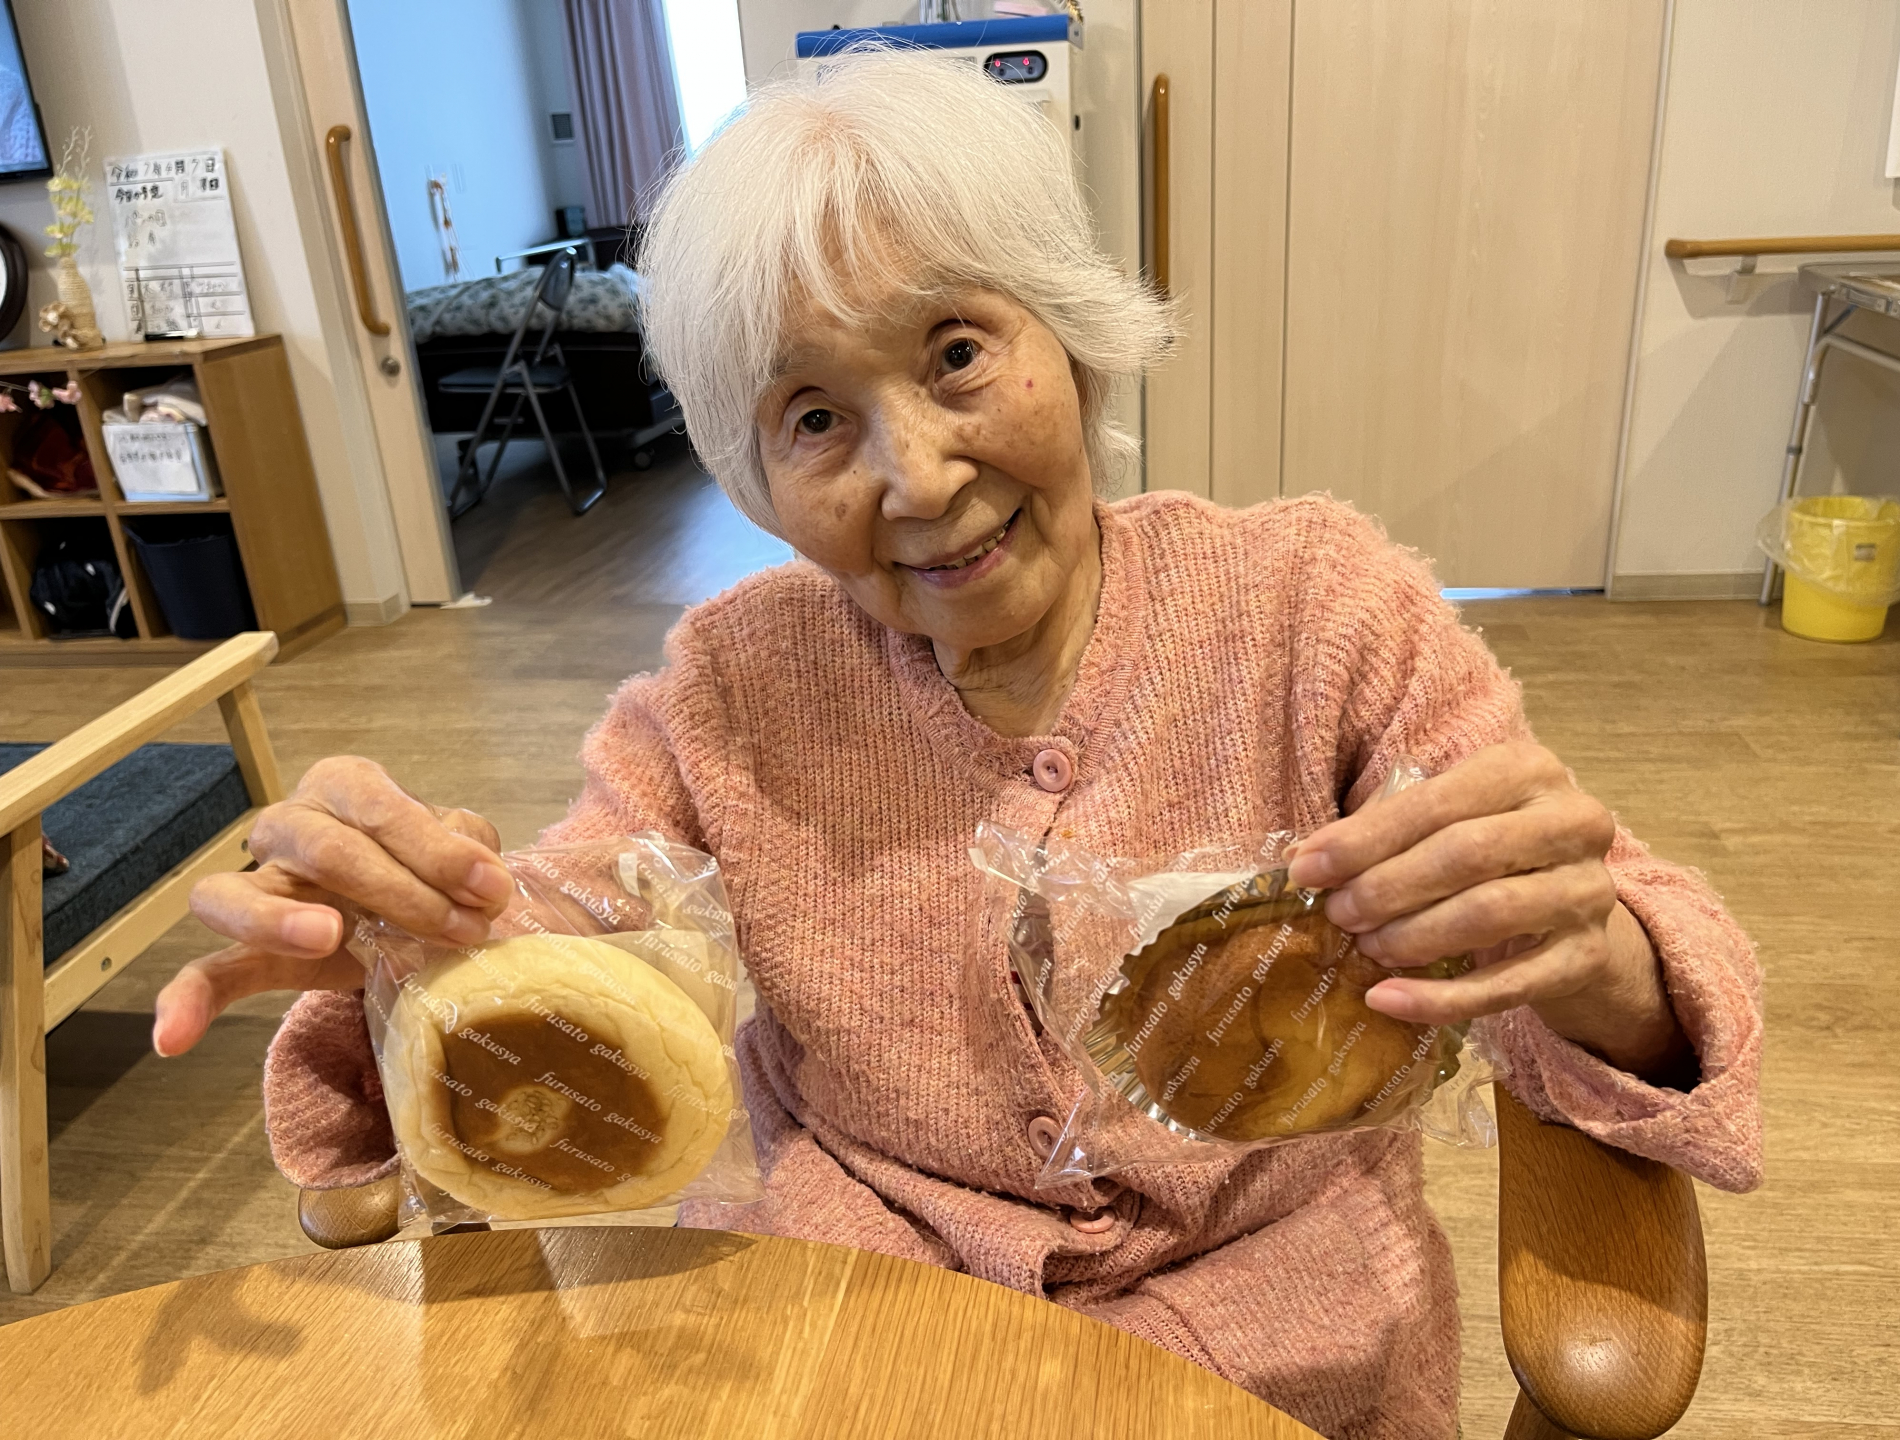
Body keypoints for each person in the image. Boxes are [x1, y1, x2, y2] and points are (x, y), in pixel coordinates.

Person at [153, 51, 1761, 1439]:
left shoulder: (1319, 611)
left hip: (1283, 1348)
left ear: (1072, 331)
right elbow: (583, 930)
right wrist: (406, 950)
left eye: (956, 354)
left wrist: (1592, 956)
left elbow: (1609, 954)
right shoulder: (731, 689)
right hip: (862, 1338)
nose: (917, 477)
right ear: (756, 478)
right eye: (813, 417)